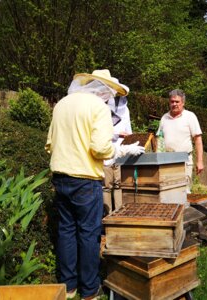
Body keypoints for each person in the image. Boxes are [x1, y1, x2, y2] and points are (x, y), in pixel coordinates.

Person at [45, 69, 144, 300]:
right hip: (86, 180)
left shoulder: (62, 104)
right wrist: (122, 149)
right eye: (111, 93)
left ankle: (68, 287)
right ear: (103, 90)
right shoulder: (98, 107)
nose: (112, 98)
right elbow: (100, 148)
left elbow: (50, 144)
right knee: (89, 234)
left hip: (60, 177)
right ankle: (89, 291)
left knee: (66, 231)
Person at [158, 89, 204, 193]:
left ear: (183, 103)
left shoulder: (190, 116)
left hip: (184, 161)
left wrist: (200, 161)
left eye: (177, 102)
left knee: (184, 192)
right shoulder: (164, 118)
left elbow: (198, 139)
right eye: (172, 101)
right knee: (168, 191)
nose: (174, 104)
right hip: (167, 161)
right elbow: (159, 139)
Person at [103, 92, 132, 214]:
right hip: (106, 152)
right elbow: (98, 133)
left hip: (121, 153)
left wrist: (131, 143)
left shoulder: (125, 109)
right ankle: (108, 215)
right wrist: (116, 134)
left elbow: (128, 129)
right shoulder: (101, 108)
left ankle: (120, 213)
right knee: (106, 186)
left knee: (119, 185)